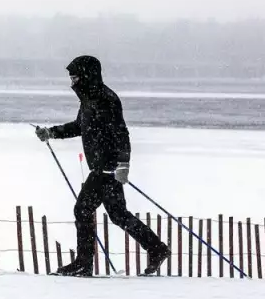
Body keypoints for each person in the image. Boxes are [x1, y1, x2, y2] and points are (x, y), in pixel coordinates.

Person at [34, 55, 170, 276]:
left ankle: (83, 263)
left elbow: (121, 132)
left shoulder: (106, 99)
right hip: (100, 166)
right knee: (117, 214)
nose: (72, 83)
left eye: (76, 77)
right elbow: (79, 126)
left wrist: (123, 165)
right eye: (71, 78)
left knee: (83, 209)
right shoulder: (89, 100)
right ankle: (156, 248)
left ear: (88, 76)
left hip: (107, 168)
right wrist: (51, 132)